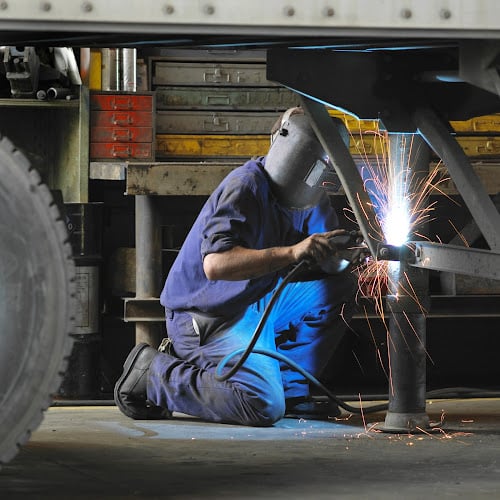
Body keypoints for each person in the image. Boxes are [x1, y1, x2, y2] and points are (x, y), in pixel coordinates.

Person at [114, 108, 359, 426]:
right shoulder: (245, 188)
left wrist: (345, 254)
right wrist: (293, 252)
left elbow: (324, 261)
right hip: (207, 317)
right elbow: (216, 266)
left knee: (338, 289)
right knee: (262, 406)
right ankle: (154, 375)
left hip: (256, 300)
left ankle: (292, 390)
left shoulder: (311, 198)